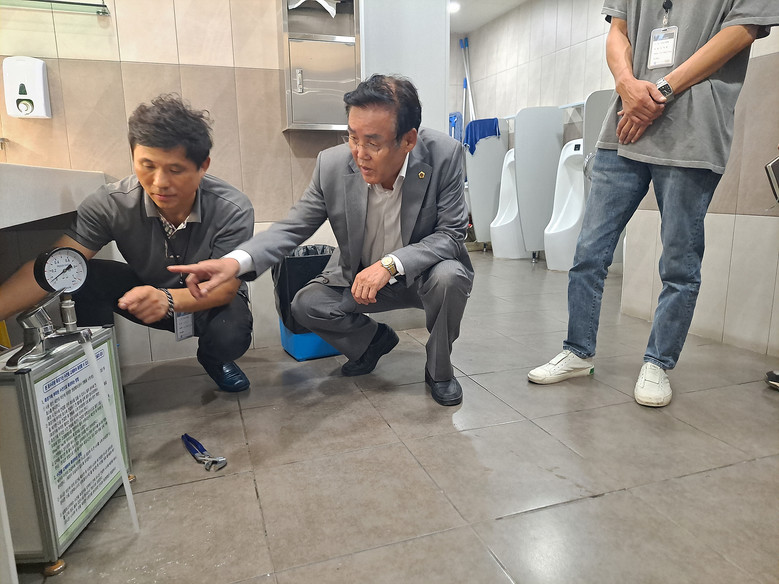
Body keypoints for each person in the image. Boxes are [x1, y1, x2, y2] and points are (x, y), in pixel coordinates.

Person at [528, 1, 778, 406]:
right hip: (624, 126)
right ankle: (577, 351)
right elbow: (618, 31)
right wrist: (626, 84)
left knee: (679, 262)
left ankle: (658, 362)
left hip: (693, 130)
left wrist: (661, 90)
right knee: (589, 250)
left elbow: (742, 31)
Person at [170, 75, 474, 406]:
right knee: (306, 303)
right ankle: (372, 342)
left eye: (373, 143)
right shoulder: (331, 164)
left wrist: (391, 264)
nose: (359, 154)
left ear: (409, 139)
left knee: (450, 276)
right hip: (361, 279)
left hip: (423, 276)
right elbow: (293, 226)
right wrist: (234, 262)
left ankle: (439, 371)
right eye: (352, 137)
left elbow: (451, 234)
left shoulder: (444, 155)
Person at [0, 94, 255, 392]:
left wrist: (169, 299)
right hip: (145, 294)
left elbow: (225, 289)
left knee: (231, 333)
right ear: (133, 156)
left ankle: (214, 359)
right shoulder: (110, 204)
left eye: (175, 169)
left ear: (203, 165)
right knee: (84, 275)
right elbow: (55, 266)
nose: (159, 182)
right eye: (147, 165)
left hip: (209, 301)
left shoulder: (232, 209)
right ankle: (99, 372)